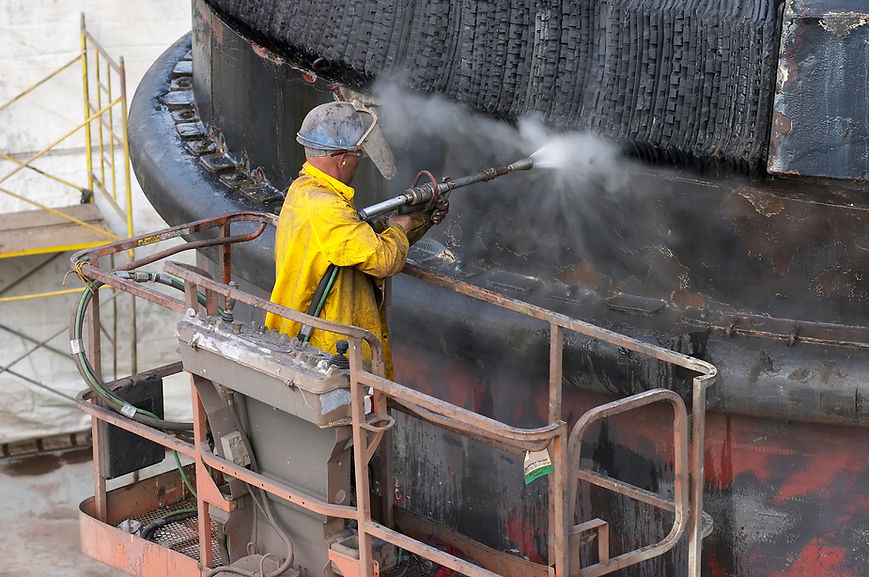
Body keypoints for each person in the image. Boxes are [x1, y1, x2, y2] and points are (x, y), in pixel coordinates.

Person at [265, 100, 447, 377]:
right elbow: (384, 259)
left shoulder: (307, 191)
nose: (358, 163)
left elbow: (361, 240)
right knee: (350, 414)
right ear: (342, 158)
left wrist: (421, 218)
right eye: (358, 156)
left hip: (313, 338)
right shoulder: (327, 208)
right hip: (329, 350)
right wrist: (401, 225)